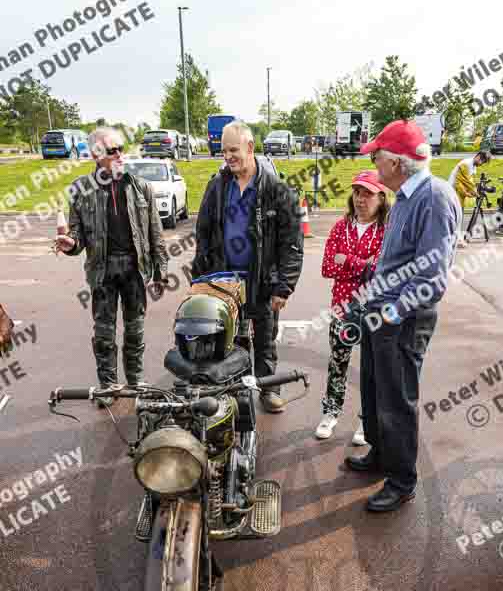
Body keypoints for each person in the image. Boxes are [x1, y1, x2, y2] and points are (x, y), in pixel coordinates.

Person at [346, 120, 461, 512]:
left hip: (403, 320)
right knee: (376, 391)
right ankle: (381, 456)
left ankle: (401, 480)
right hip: (383, 314)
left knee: (397, 400)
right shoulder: (408, 197)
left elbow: (432, 277)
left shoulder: (434, 198)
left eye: (378, 158)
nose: (374, 165)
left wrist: (391, 313)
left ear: (396, 163)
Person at [192, 120, 303, 413]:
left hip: (263, 281)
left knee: (265, 339)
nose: (227, 156)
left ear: (250, 147)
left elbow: (291, 243)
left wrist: (285, 285)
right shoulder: (217, 187)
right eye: (223, 151)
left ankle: (268, 390)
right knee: (231, 339)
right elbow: (203, 232)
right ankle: (238, 392)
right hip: (225, 281)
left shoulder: (277, 189)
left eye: (233, 150)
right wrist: (200, 278)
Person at [54, 127, 169, 407]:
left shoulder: (141, 187)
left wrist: (160, 272)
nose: (120, 154)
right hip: (102, 271)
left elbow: (156, 233)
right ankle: (107, 386)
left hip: (134, 270)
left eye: (121, 148)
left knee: (135, 330)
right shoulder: (80, 190)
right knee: (104, 334)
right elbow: (77, 238)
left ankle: (135, 381)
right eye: (112, 150)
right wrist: (69, 243)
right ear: (96, 155)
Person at [316, 170, 389, 442]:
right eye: (357, 192)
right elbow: (326, 267)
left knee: (372, 368)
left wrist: (345, 260)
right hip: (342, 307)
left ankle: (366, 421)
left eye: (368, 193)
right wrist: (362, 264)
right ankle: (331, 412)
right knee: (338, 362)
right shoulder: (340, 227)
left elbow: (379, 271)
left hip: (373, 309)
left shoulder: (387, 230)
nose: (361, 199)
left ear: (381, 198)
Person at [448, 150, 491, 244]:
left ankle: (455, 238)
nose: (481, 164)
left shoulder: (473, 167)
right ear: (478, 157)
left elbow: (469, 182)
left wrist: (471, 192)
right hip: (454, 192)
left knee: (459, 216)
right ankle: (453, 239)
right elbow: (464, 182)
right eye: (482, 161)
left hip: (459, 193)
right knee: (456, 217)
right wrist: (474, 192)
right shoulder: (466, 164)